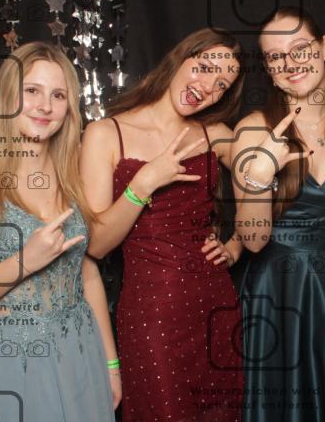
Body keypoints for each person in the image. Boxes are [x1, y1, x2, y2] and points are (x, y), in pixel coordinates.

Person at [0, 42, 119, 421]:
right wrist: (24, 262)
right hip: (13, 358)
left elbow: (87, 272)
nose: (45, 106)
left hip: (82, 349)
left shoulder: (72, 176)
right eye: (32, 90)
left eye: (58, 95)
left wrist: (111, 364)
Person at [81, 28, 246, 421]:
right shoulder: (106, 134)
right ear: (180, 57)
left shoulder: (215, 134)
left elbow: (262, 188)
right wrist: (142, 184)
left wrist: (236, 244)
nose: (208, 86)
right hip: (151, 317)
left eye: (222, 84)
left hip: (216, 309)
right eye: (204, 67)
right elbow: (97, 244)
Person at [230, 7, 325, 421]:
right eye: (275, 56)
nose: (290, 63)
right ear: (269, 69)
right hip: (278, 290)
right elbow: (253, 240)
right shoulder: (254, 130)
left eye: (299, 48)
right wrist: (261, 174)